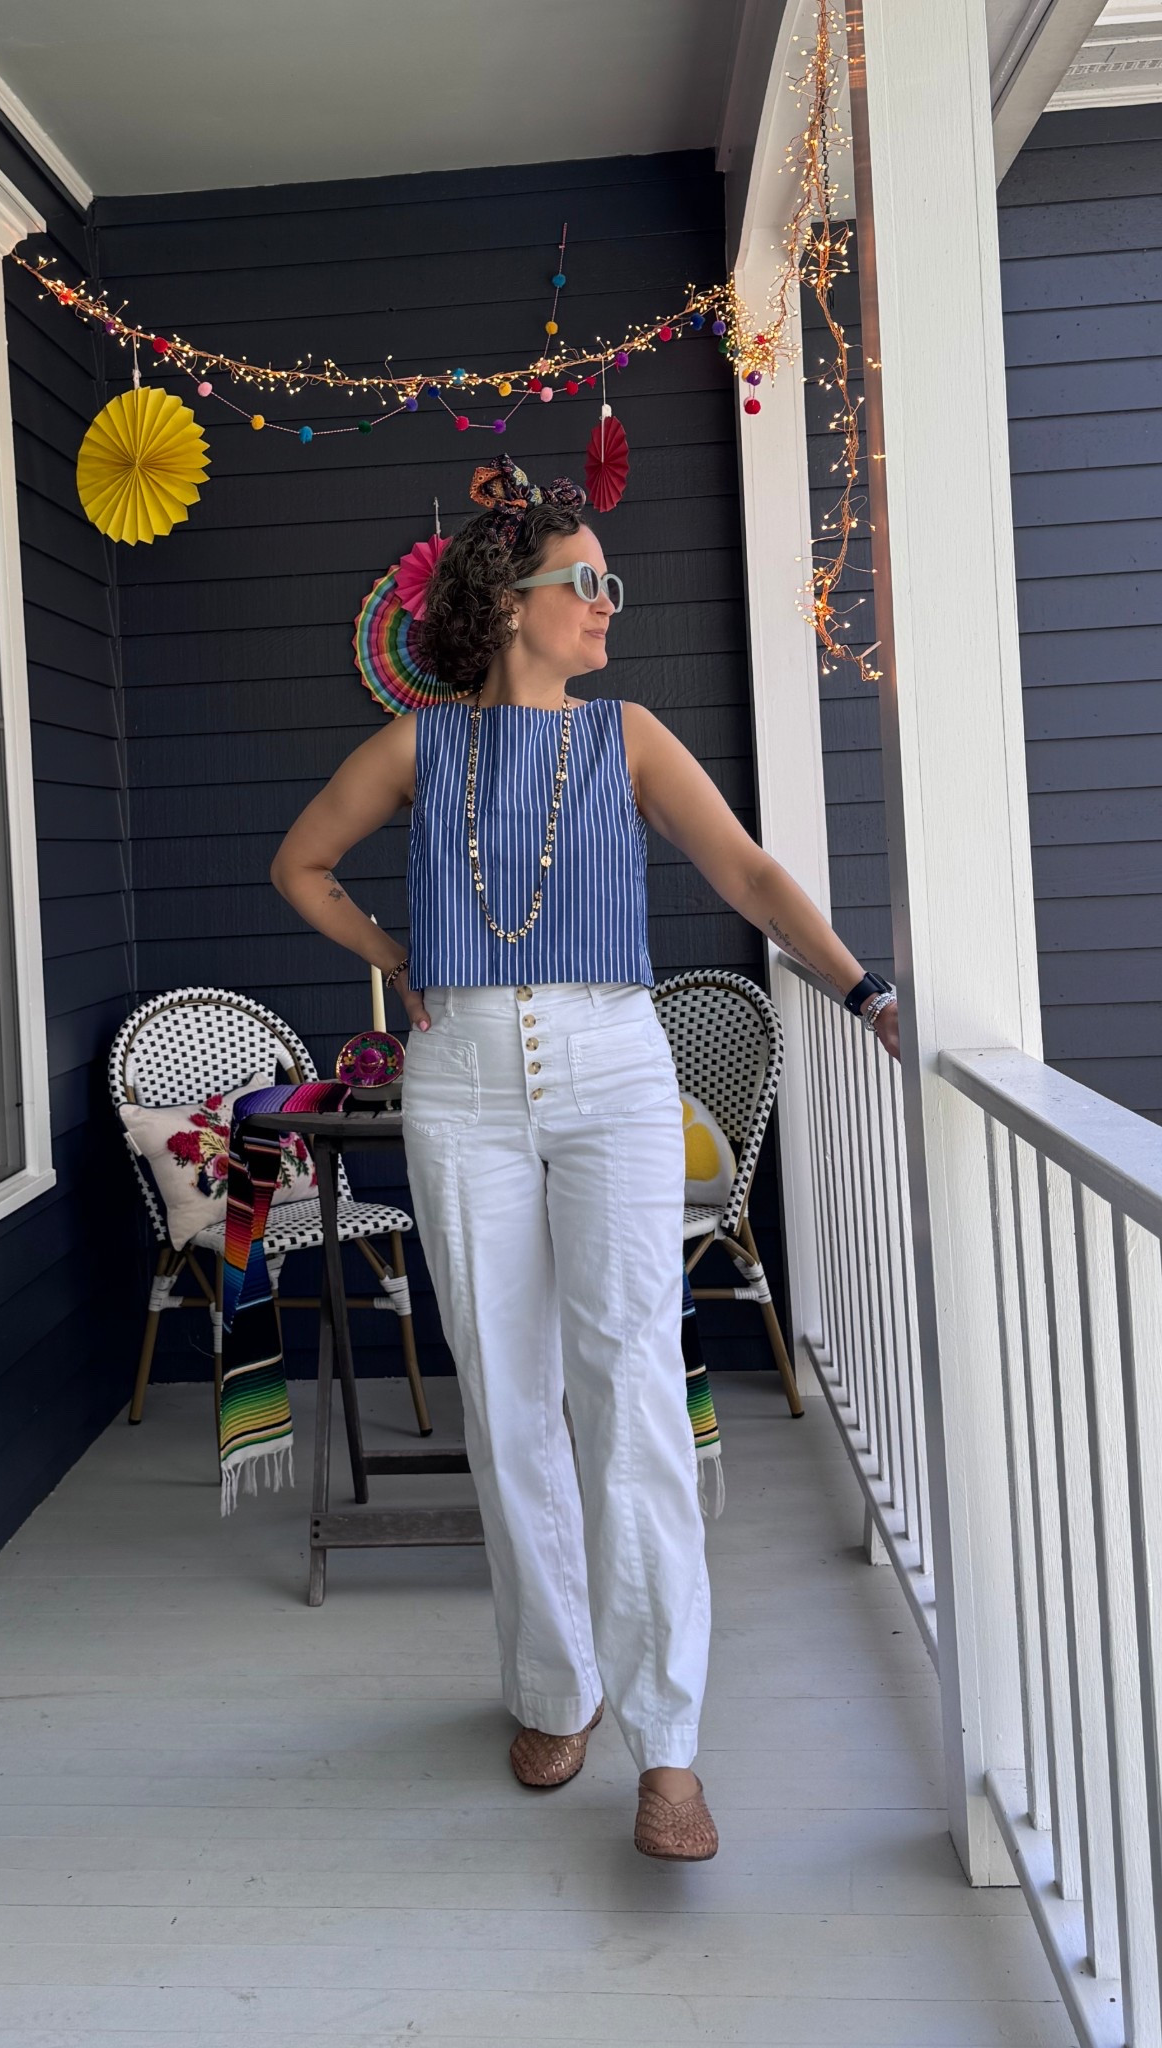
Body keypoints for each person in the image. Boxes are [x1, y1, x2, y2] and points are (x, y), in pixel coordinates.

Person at [269, 454, 901, 1860]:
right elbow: (300, 864)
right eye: (588, 582)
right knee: (506, 1396)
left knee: (630, 1387)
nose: (611, 602)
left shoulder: (628, 736)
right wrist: (393, 956)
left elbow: (748, 874)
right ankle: (556, 1688)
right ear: (512, 602)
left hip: (613, 1066)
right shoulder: (415, 748)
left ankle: (668, 1748)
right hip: (460, 1082)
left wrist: (867, 994)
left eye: (612, 583)